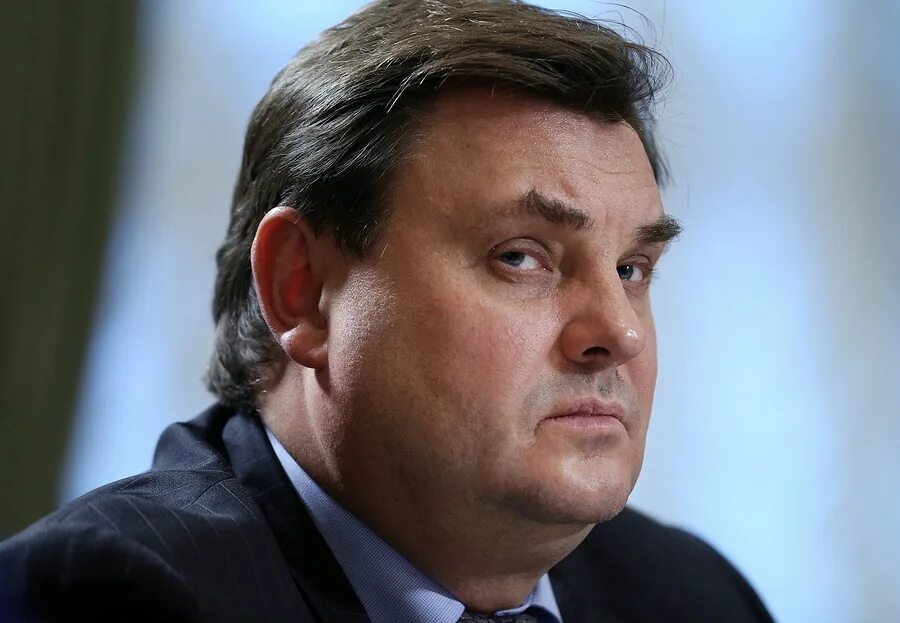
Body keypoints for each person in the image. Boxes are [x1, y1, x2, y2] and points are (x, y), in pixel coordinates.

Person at [0, 1, 774, 621]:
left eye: (633, 269)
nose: (620, 331)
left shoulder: (692, 595)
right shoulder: (112, 595)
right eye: (521, 257)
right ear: (303, 288)